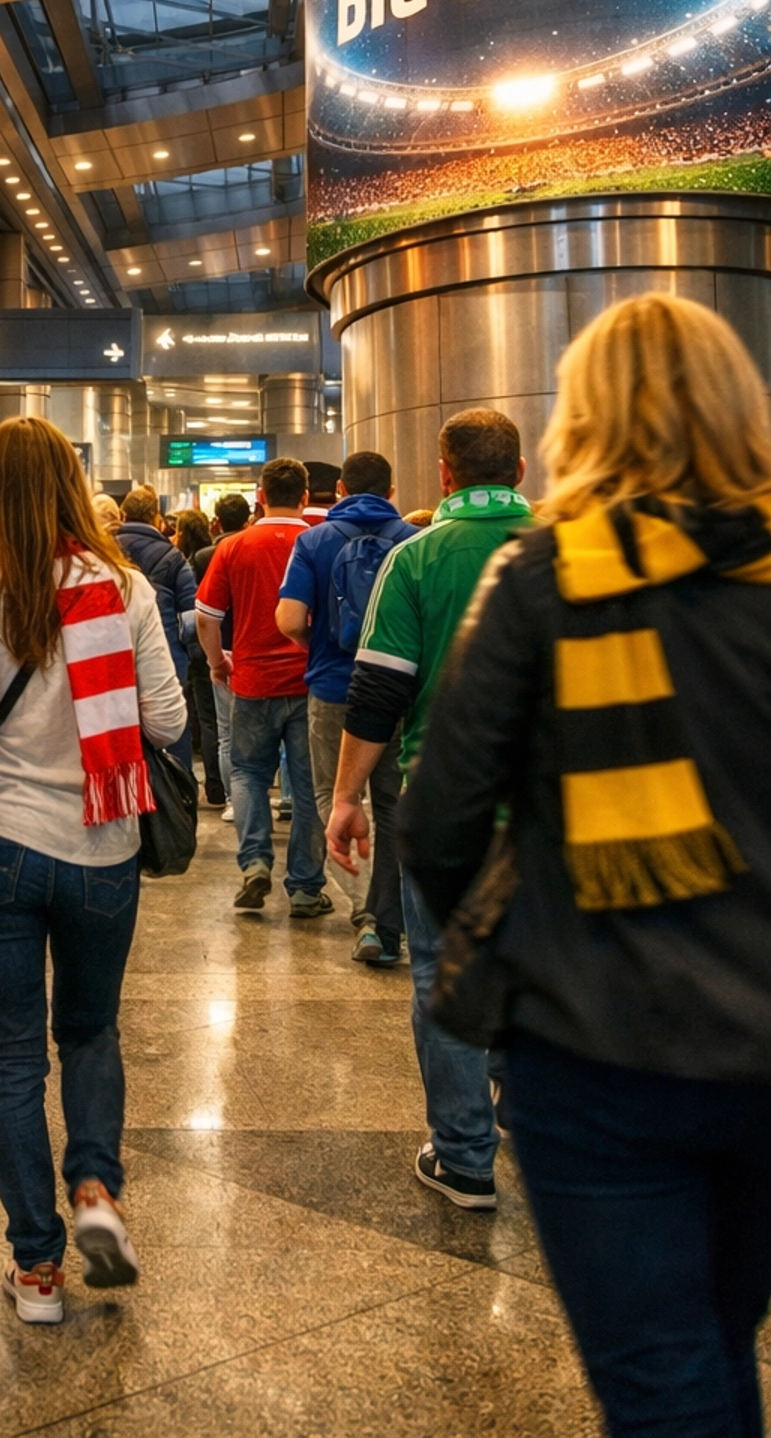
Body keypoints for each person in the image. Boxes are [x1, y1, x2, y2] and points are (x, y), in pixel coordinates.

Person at [399, 298, 771, 1438]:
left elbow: (443, 819)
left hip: (597, 1035)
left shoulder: (548, 576)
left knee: (661, 1374)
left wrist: (529, 926)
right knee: (719, 1335)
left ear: (585, 419)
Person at [0, 419, 187, 1323]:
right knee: (88, 1032)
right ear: (68, 484)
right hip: (102, 848)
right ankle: (95, 1190)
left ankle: (37, 1271)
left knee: (11, 1055)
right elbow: (166, 722)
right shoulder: (122, 587)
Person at [328, 408, 532, 1210]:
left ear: (444, 474)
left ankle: (464, 1157)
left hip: (449, 809)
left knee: (442, 975)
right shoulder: (568, 552)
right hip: (552, 812)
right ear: (517, 473)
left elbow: (379, 694)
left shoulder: (416, 561)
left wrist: (347, 796)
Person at [276, 450, 415, 964]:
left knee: (334, 796)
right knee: (392, 802)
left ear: (340, 492)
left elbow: (289, 619)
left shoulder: (312, 542)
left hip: (334, 688)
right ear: (391, 491)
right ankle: (389, 915)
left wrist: (320, 647)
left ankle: (363, 916)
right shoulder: (411, 540)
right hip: (400, 689)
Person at [196, 460, 329, 918]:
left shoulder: (234, 547)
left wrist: (218, 662)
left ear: (261, 496)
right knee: (310, 786)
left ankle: (254, 861)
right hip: (310, 682)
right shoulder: (319, 541)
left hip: (251, 681)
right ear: (306, 496)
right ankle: (307, 888)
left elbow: (206, 617)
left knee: (249, 773)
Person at [114, 486, 196, 770]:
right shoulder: (173, 557)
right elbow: (190, 615)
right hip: (167, 654)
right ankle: (175, 794)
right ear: (157, 519)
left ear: (123, 514)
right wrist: (190, 653)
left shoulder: (103, 551)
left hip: (112, 655)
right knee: (172, 728)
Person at [193, 493, 252, 819]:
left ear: (216, 521)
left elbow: (201, 611)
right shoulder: (251, 548)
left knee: (226, 733)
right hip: (252, 651)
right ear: (247, 519)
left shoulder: (204, 556)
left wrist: (214, 660)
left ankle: (232, 799)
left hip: (220, 648)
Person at [175, 510, 223, 804]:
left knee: (207, 719)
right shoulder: (217, 553)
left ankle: (215, 786)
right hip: (231, 648)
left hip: (202, 651)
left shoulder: (194, 561)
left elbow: (194, 615)